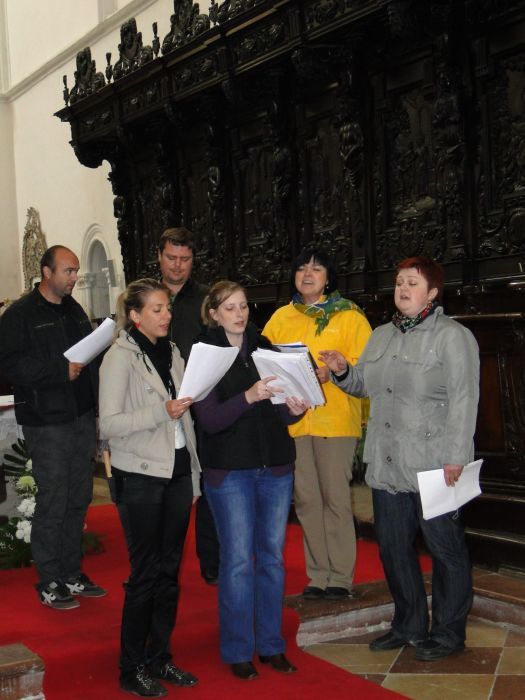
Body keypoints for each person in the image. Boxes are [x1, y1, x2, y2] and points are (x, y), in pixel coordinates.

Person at [320, 256, 479, 661]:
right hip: (387, 461)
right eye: (399, 283)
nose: (403, 289)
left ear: (432, 292)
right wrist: (342, 371)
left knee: (445, 550)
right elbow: (363, 385)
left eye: (412, 283)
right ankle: (408, 624)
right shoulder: (381, 335)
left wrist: (457, 456)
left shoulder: (453, 337)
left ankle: (448, 632)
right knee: (392, 548)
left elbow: (464, 399)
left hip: (434, 464)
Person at [192, 281, 308, 680]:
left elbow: (283, 413)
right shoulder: (204, 354)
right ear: (214, 313)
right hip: (230, 470)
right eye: (230, 307)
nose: (239, 314)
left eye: (243, 306)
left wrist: (295, 407)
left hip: (274, 465)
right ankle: (239, 649)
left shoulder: (265, 348)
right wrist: (248, 397)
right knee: (238, 561)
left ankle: (272, 644)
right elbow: (209, 420)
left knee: (272, 559)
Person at [99, 278, 201, 697]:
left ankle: (160, 657)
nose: (166, 315)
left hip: (177, 470)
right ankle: (131, 667)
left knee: (169, 572)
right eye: (157, 309)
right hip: (140, 474)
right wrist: (161, 411)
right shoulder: (118, 358)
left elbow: (187, 415)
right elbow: (108, 424)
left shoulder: (173, 352)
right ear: (135, 315)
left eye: (167, 308)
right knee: (145, 573)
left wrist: (194, 471)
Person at [0, 245, 106, 610]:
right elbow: (10, 364)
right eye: (68, 271)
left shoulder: (74, 310)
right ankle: (49, 580)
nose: (75, 277)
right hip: (46, 421)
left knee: (79, 496)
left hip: (80, 415)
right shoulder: (20, 314)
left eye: (76, 271)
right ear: (47, 272)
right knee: (54, 499)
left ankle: (71, 573)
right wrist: (58, 371)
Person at [263, 248, 372, 600]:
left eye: (316, 268)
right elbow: (263, 359)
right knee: (307, 500)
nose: (307, 274)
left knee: (335, 498)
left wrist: (334, 371)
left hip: (335, 420)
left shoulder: (350, 316)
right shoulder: (281, 317)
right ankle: (318, 575)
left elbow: (367, 367)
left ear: (328, 277)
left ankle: (340, 576)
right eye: (301, 268)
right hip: (295, 421)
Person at [158, 227, 219, 585]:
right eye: (171, 258)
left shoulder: (207, 299)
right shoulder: (147, 296)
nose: (178, 265)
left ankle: (211, 560)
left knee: (208, 485)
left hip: (201, 404)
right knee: (168, 487)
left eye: (185, 259)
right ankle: (164, 564)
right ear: (159, 257)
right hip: (159, 406)